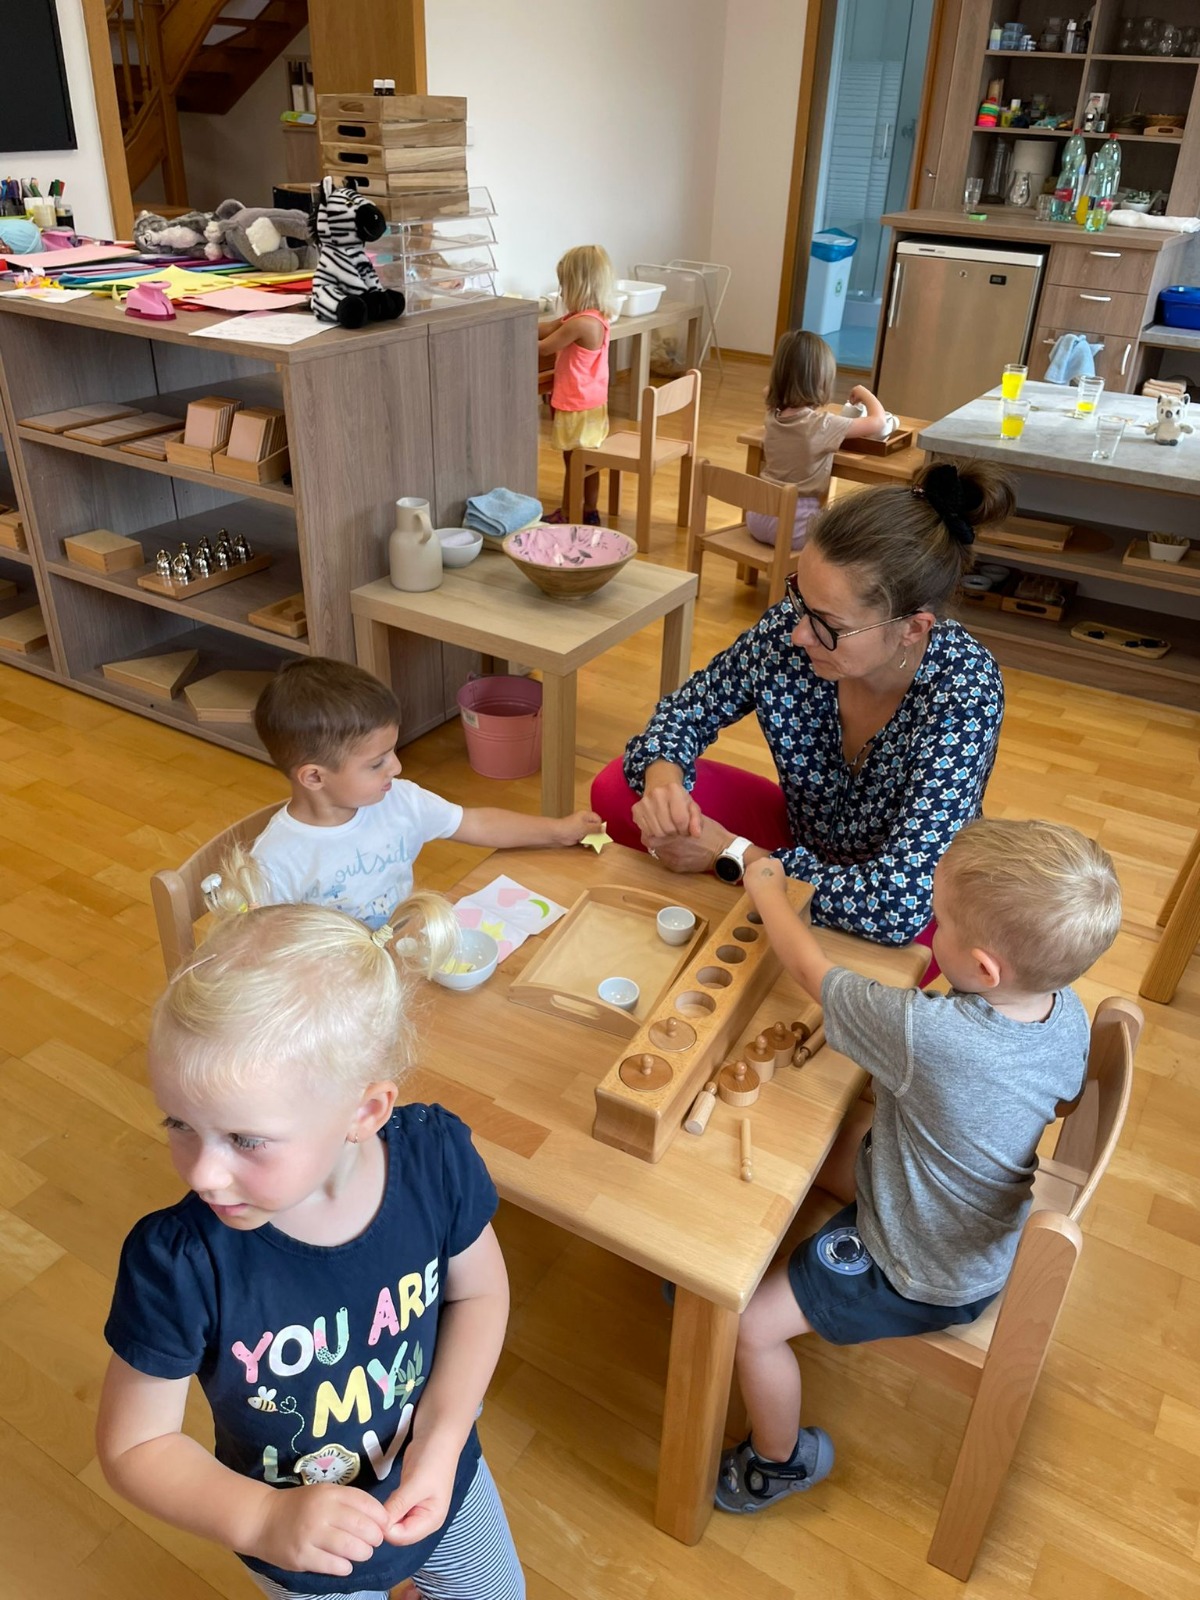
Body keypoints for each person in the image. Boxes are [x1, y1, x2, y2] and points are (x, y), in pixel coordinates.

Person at [96, 884, 526, 1599]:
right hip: (300, 1548)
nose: (204, 1172)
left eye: (245, 1139)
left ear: (365, 1108)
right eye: (179, 1125)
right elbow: (136, 1443)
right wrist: (264, 1517)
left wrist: (445, 1434)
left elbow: (480, 1292)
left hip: (446, 1480)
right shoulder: (178, 1264)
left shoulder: (434, 1161)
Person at [715, 817, 1122, 1513]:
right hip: (977, 1218)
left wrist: (766, 887)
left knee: (750, 1328)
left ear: (987, 968)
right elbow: (1053, 1104)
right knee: (809, 1139)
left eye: (939, 924)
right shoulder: (1065, 1010)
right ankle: (709, 1273)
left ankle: (777, 1461)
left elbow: (810, 971)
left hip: (920, 1266)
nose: (928, 933)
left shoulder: (928, 1032)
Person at [593, 460, 1014, 949]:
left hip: (912, 898)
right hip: (801, 846)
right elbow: (687, 709)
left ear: (912, 628)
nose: (798, 633)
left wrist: (728, 853)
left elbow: (897, 906)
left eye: (828, 624)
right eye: (799, 597)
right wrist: (663, 778)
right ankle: (764, 895)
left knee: (899, 957)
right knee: (618, 788)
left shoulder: (964, 690)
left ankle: (760, 891)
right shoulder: (792, 631)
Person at [251, 657, 600, 928]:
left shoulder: (399, 801)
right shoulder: (275, 861)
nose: (397, 768)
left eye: (393, 751)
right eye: (377, 763)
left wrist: (557, 830)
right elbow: (257, 945)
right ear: (314, 777)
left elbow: (476, 824)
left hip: (403, 947)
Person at [746, 329, 889, 552]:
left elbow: (768, 391)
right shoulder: (822, 425)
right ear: (822, 382)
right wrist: (865, 393)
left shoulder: (772, 414)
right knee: (849, 529)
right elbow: (878, 422)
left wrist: (782, 385)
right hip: (795, 527)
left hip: (758, 516)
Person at [537, 244, 615, 525]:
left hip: (575, 405)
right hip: (593, 403)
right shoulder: (593, 318)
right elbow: (547, 327)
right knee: (589, 463)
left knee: (574, 463)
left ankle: (569, 513)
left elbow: (544, 347)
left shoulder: (580, 324)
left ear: (578, 286)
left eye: (564, 285)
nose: (561, 293)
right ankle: (590, 510)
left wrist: (511, 338)